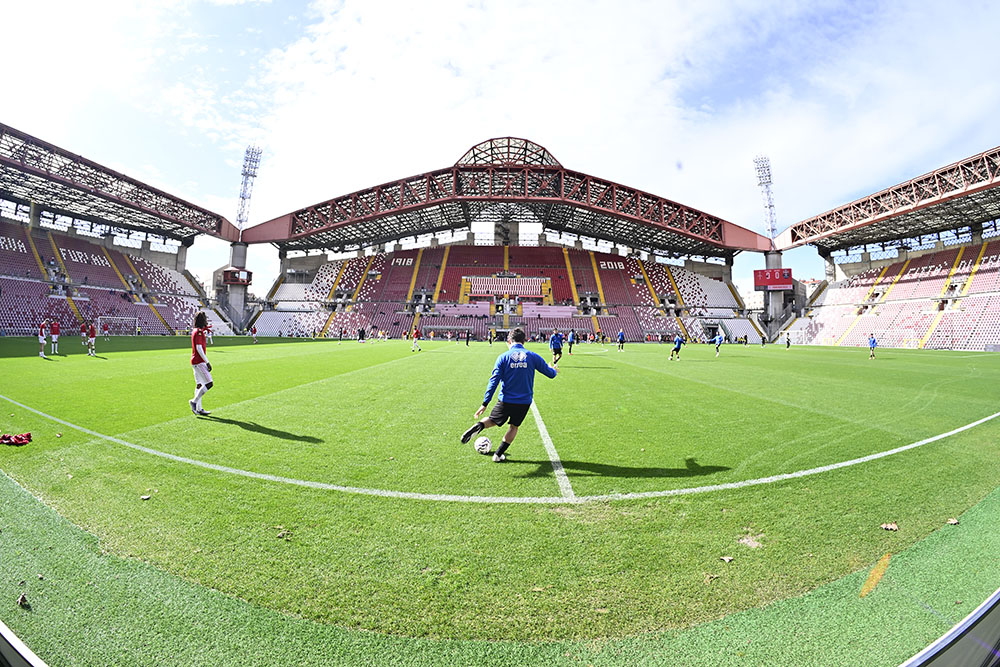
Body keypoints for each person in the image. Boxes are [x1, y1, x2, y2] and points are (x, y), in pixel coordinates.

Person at [460, 327, 558, 462]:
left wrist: (485, 403)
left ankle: (479, 426)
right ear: (524, 341)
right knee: (513, 427)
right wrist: (553, 369)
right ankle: (498, 455)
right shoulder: (532, 356)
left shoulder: (503, 357)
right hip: (523, 401)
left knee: (493, 420)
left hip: (505, 400)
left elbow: (493, 381)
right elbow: (551, 374)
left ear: (509, 340)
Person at [189, 312, 213, 416]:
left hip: (194, 361)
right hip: (199, 361)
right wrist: (207, 362)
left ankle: (199, 408)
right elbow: (199, 348)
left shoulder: (195, 330)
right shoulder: (199, 332)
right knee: (209, 383)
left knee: (199, 385)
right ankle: (194, 402)